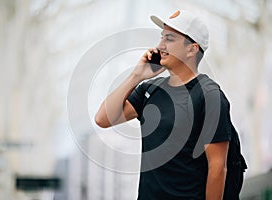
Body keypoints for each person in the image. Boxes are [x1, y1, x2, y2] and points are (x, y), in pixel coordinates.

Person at [95, 10, 247, 200]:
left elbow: (217, 168)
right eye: (161, 38)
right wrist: (137, 75)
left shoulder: (209, 96)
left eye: (169, 39)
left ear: (192, 49)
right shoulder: (149, 90)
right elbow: (102, 119)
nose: (160, 46)